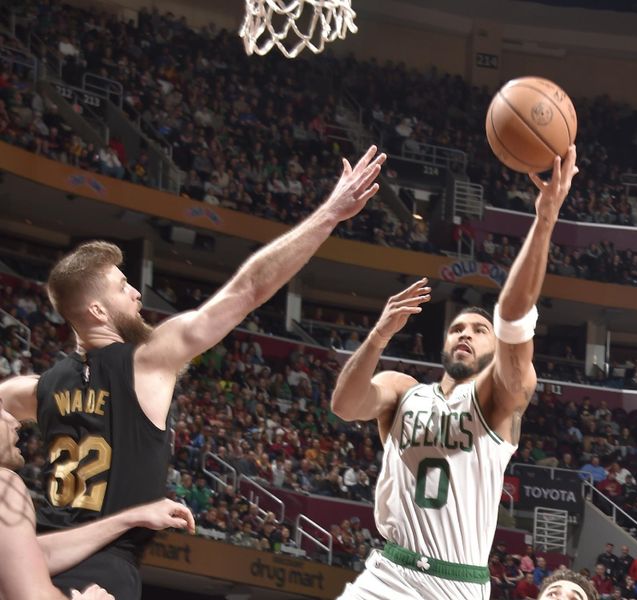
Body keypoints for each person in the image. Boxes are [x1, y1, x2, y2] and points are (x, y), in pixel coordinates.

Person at [0, 145, 386, 599]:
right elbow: (248, 289)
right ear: (98, 309)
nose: (137, 295)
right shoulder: (148, 361)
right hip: (104, 572)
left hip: (35, 560)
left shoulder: (34, 389)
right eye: (124, 287)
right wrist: (331, 214)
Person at [330, 148, 578, 599]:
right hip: (389, 573)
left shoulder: (499, 401)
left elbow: (515, 313)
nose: (465, 334)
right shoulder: (403, 391)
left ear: (494, 346)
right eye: (457, 328)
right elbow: (345, 405)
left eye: (479, 330)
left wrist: (544, 220)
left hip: (457, 585)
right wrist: (379, 336)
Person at [0, 397, 194, 599]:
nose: (15, 422)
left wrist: (132, 517)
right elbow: (30, 595)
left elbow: (34, 557)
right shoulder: (4, 482)